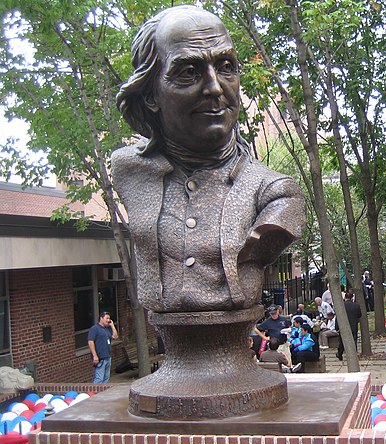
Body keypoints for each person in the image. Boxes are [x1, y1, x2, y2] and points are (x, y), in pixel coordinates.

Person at [111, 5, 304, 313]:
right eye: (188, 72)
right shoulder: (128, 169)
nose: (215, 87)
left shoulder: (276, 193)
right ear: (150, 94)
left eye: (226, 66)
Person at [87, 311, 119, 384]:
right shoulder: (94, 329)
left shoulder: (107, 329)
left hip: (108, 356)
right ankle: (95, 393)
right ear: (101, 318)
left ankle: (103, 393)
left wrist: (112, 325)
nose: (108, 320)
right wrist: (95, 356)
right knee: (99, 379)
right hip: (100, 358)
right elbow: (90, 342)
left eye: (109, 318)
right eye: (107, 318)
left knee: (106, 379)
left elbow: (115, 336)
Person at [337, 291, 361, 361]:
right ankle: (353, 354)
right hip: (353, 325)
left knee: (342, 341)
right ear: (352, 297)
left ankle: (340, 353)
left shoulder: (342, 306)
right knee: (354, 340)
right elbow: (359, 315)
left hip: (344, 326)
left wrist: (337, 327)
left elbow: (338, 317)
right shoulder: (356, 305)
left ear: (345, 297)